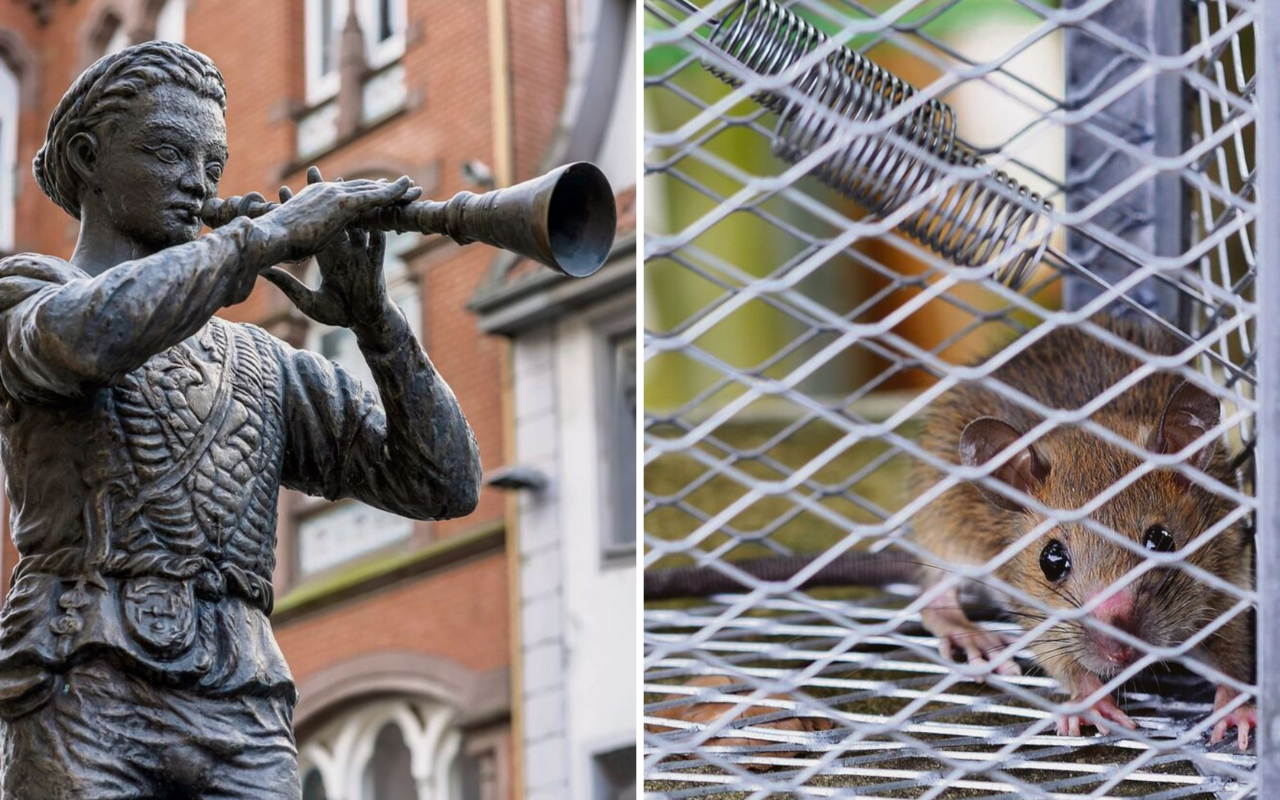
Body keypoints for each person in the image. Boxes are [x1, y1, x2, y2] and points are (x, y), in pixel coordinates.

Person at [0, 41, 481, 799]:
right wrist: (263, 240)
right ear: (89, 157)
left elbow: (444, 484)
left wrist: (378, 323)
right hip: (80, 685)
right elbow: (90, 337)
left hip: (246, 705)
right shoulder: (28, 292)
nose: (197, 184)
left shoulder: (263, 362)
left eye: (213, 165)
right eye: (167, 153)